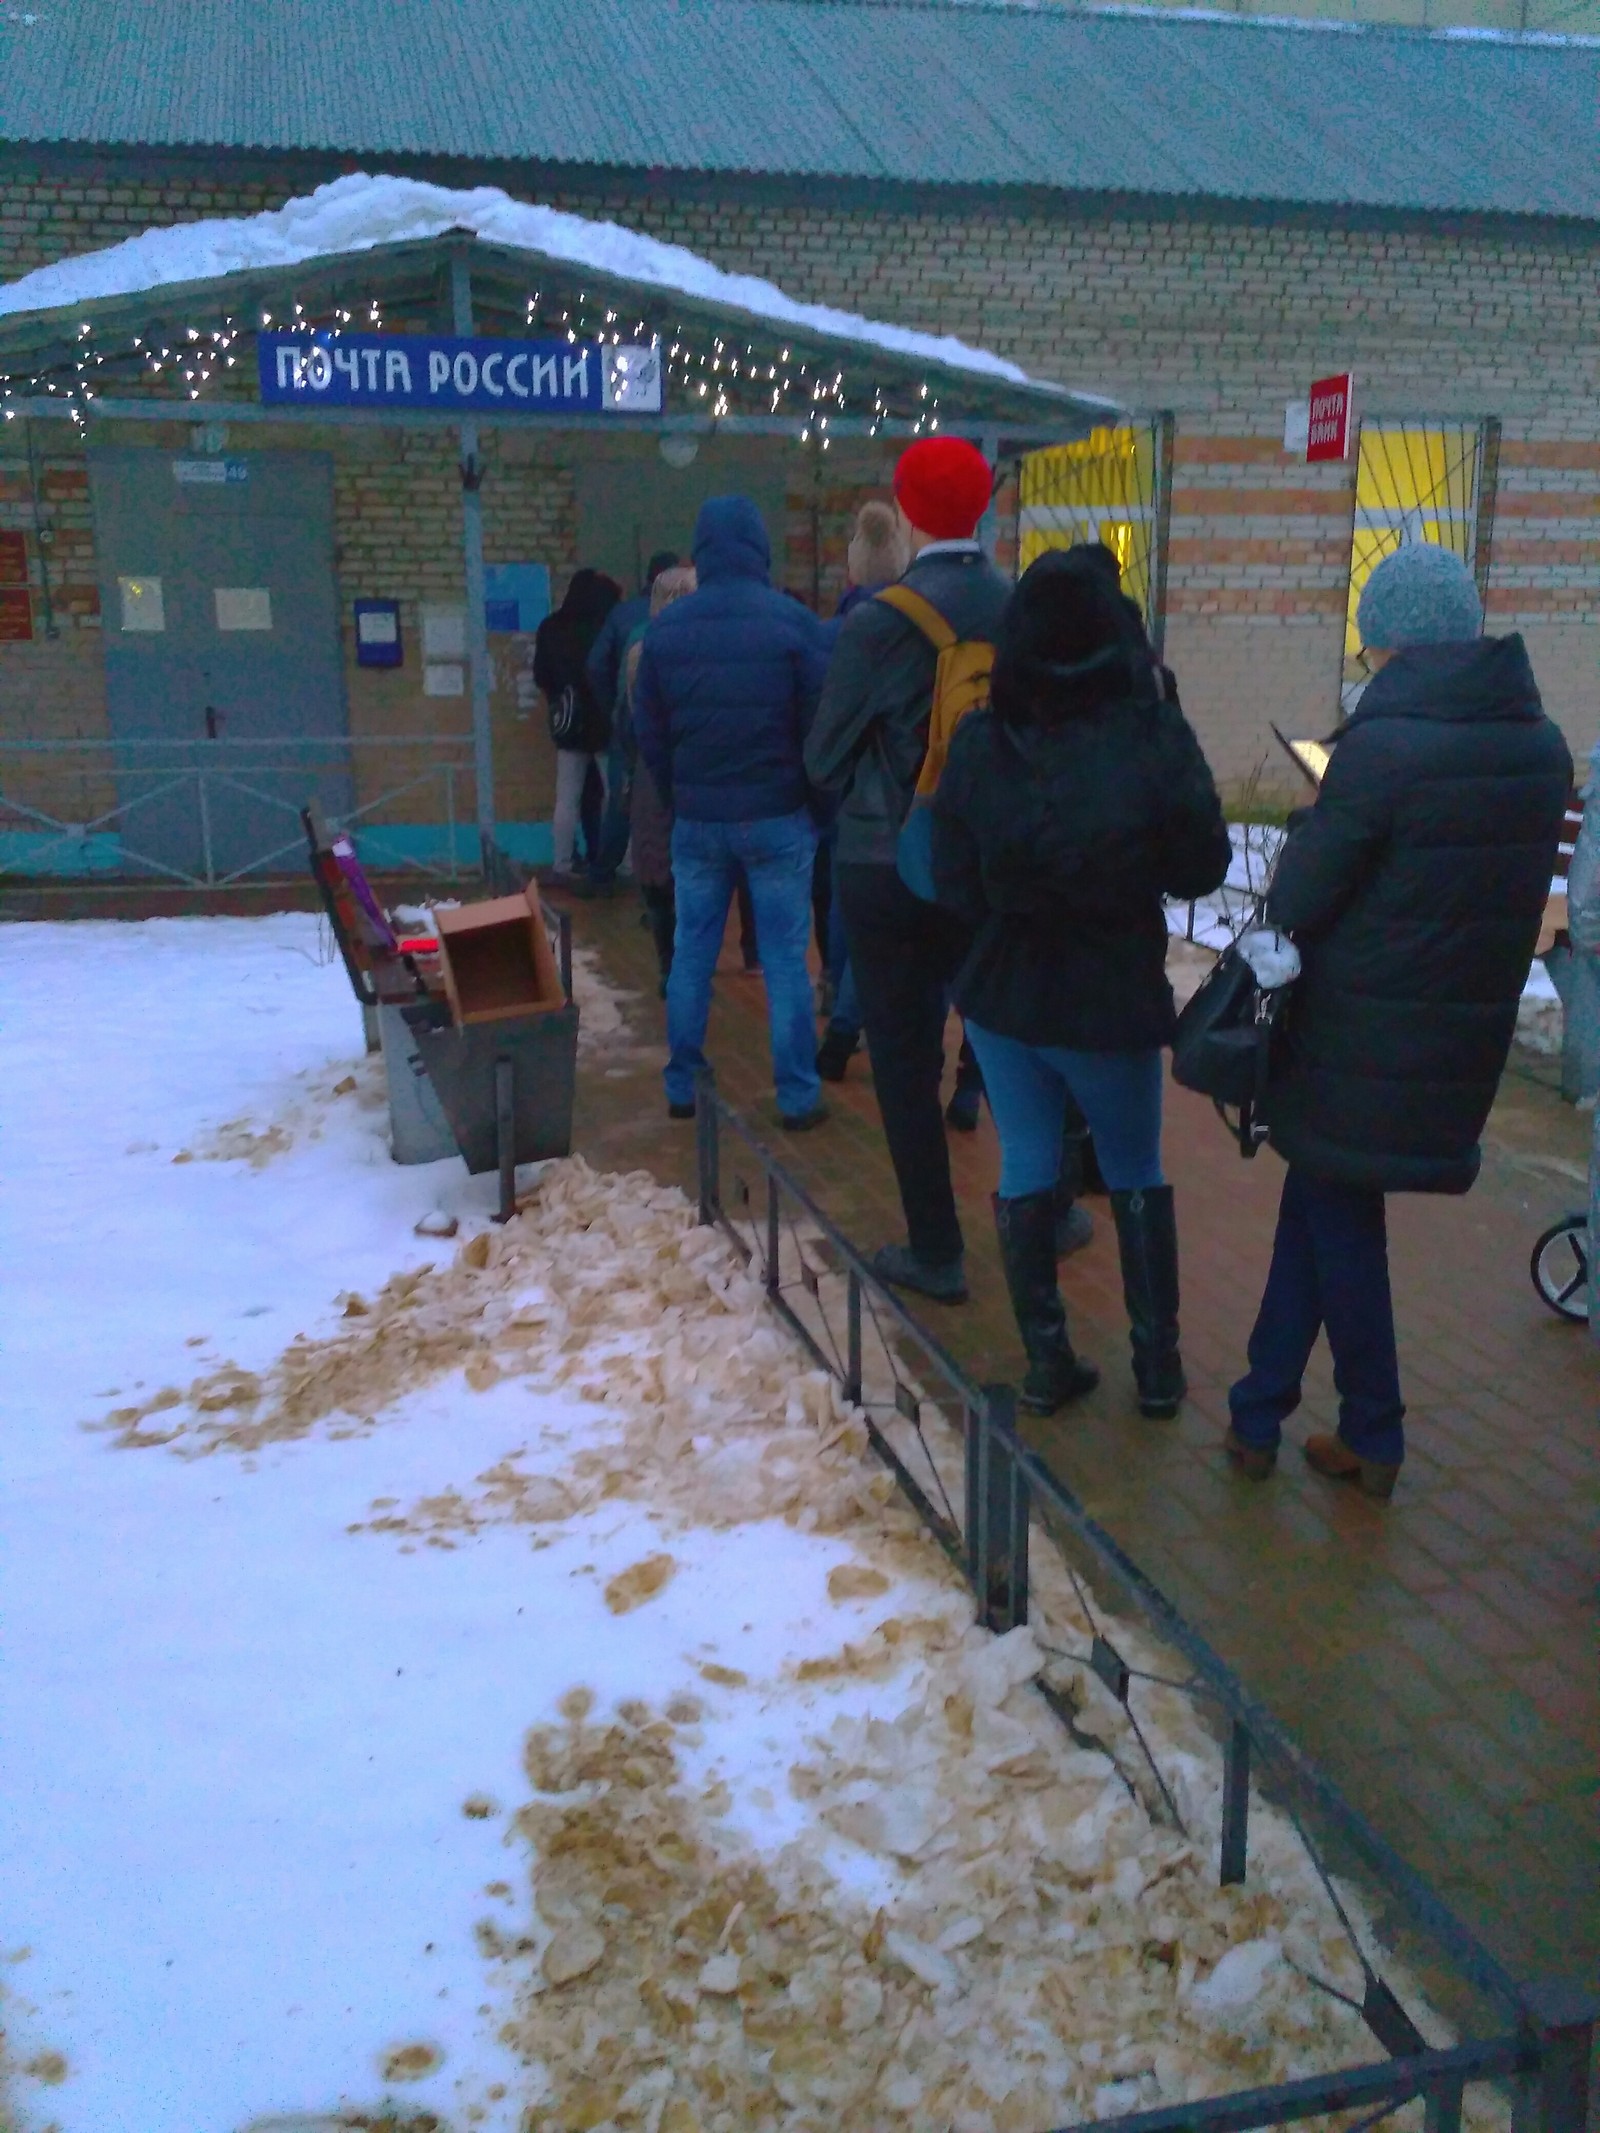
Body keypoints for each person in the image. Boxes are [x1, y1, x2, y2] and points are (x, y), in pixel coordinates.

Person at [1227, 543, 1573, 1497]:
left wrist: (1317, 815)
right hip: (1454, 1036)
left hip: (1358, 1032)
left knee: (1339, 1222)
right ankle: (1257, 1410)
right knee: (1321, 1201)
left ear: (1392, 645)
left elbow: (1300, 895)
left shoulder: (1383, 747)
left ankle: (1373, 1432)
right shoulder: (1539, 746)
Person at [932, 546, 1231, 1415]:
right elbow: (1203, 866)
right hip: (1107, 997)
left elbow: (953, 878)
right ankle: (1159, 1371)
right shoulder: (1147, 733)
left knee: (1025, 1160)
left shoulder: (984, 739)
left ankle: (1048, 1363)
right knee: (1135, 1165)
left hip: (1002, 993)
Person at [806, 437, 1008, 1303]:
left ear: (911, 512)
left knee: (902, 1056)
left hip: (887, 863)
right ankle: (1054, 1206)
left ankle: (937, 1247)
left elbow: (823, 754)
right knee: (1006, 1029)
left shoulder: (879, 621)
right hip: (993, 864)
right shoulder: (1018, 607)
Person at [635, 496, 832, 1129]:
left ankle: (682, 1083)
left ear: (703, 552)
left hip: (698, 819)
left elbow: (651, 733)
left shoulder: (665, 631)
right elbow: (819, 731)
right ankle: (798, 1093)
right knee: (784, 959)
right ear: (760, 549)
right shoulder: (796, 625)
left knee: (692, 952)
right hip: (778, 815)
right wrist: (812, 804)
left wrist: (678, 795)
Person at [817, 501, 913, 1084]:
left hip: (851, 807)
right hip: (910, 803)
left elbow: (821, 730)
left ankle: (839, 1012)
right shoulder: (921, 631)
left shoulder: (833, 633)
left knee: (849, 917)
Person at [620, 565, 697, 995]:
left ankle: (669, 964)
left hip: (651, 772)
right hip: (692, 772)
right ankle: (685, 962)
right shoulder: (706, 652)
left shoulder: (640, 651)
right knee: (689, 872)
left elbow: (627, 721)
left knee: (655, 866)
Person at [586, 550, 681, 884]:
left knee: (623, 800)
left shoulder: (624, 616)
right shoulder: (690, 624)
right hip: (675, 733)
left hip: (629, 724)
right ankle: (657, 887)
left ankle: (603, 872)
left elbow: (596, 665)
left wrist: (611, 704)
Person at [533, 567, 621, 883]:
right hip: (603, 723)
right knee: (615, 795)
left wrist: (561, 697)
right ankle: (621, 862)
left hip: (568, 725)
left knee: (566, 798)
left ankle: (563, 861)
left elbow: (540, 676)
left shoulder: (550, 627)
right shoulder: (603, 626)